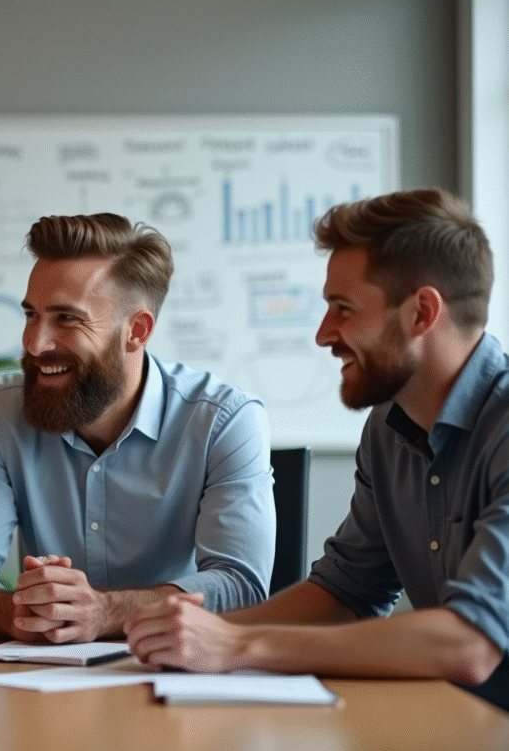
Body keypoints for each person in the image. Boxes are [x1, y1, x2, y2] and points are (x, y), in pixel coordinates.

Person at [125, 188, 509, 709]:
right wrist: (198, 634)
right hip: (462, 716)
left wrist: (239, 645)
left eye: (342, 309)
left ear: (421, 313)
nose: (324, 335)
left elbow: (470, 644)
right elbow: (347, 593)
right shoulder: (388, 427)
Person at [0, 212, 276, 643]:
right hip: (40, 673)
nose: (35, 343)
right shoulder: (2, 412)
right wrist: (13, 612)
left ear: (136, 331)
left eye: (67, 319)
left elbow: (240, 585)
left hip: (174, 665)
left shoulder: (223, 420)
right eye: (32, 315)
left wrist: (106, 612)